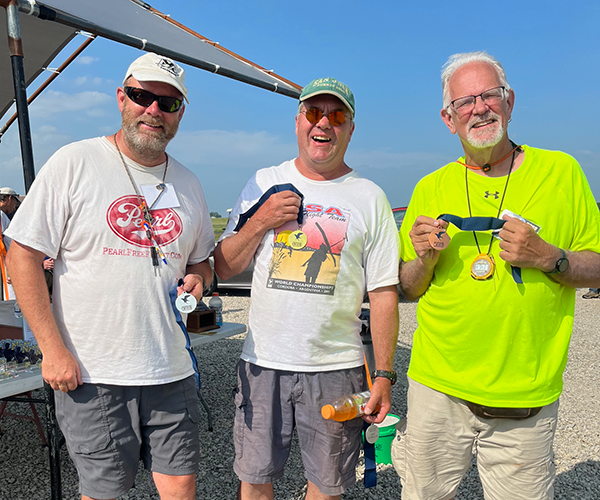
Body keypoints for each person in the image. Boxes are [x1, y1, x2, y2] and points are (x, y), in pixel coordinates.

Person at [5, 52, 214, 500]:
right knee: (105, 491)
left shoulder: (190, 184)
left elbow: (201, 262)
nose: (153, 110)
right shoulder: (75, 162)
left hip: (171, 368)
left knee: (181, 487)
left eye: (168, 103)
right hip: (92, 371)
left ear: (180, 114)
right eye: (142, 96)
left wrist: (199, 277)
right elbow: (21, 254)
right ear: (122, 98)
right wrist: (52, 349)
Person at [393, 51, 600, 500]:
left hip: (525, 396)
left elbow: (597, 264)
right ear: (448, 119)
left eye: (489, 94)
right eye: (465, 101)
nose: (479, 108)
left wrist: (550, 257)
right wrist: (424, 259)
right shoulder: (429, 187)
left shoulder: (562, 172)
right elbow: (407, 289)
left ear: (509, 101)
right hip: (436, 391)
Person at [214, 77, 399, 500]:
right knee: (255, 476)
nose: (324, 124)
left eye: (337, 116)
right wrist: (260, 221)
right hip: (263, 361)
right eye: (314, 113)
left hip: (337, 365)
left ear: (351, 129)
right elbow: (224, 266)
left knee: (328, 485)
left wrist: (384, 374)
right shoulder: (264, 181)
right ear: (298, 121)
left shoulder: (370, 198)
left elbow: (384, 294)